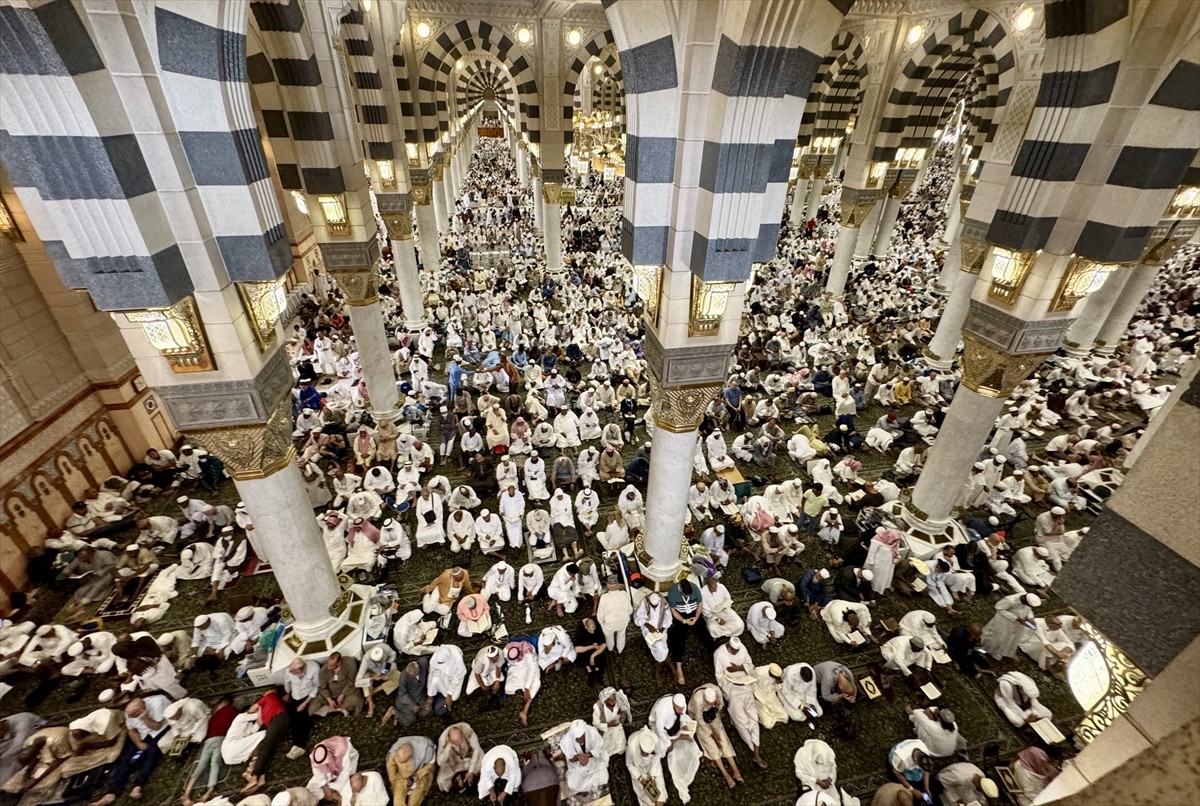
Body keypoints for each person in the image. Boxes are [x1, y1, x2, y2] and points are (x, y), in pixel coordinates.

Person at [88, 695, 172, 805]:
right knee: (126, 759)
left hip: (159, 731)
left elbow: (156, 726)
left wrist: (145, 718)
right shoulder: (130, 713)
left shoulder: (157, 703)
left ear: (141, 710)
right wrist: (138, 742)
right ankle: (112, 792)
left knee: (151, 755)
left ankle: (138, 785)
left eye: (133, 715)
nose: (130, 716)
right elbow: (131, 730)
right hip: (142, 735)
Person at [712, 637, 766, 768]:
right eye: (734, 651)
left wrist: (740, 668)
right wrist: (729, 687)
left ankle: (756, 752)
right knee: (742, 720)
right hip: (731, 688)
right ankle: (754, 751)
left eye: (737, 651)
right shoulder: (719, 654)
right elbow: (719, 676)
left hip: (745, 686)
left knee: (753, 716)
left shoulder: (742, 649)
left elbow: (750, 665)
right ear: (729, 647)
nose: (736, 653)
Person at [666, 579, 713, 685]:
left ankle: (716, 654)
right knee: (678, 639)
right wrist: (684, 621)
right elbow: (673, 610)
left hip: (694, 613)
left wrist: (696, 618)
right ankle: (679, 667)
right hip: (681, 616)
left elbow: (700, 604)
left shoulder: (694, 588)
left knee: (705, 634)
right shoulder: (672, 592)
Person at [980, 592, 1041, 660]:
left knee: (1010, 638)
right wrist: (1016, 618)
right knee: (997, 636)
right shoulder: (1010, 600)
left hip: (1017, 623)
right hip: (1003, 620)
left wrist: (1030, 618)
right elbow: (999, 608)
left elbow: (1029, 610)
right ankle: (984, 650)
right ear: (1025, 600)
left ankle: (1001, 653)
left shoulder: (1028, 599)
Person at [559, 719, 610, 799]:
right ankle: (591, 784)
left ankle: (586, 785)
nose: (580, 741)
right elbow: (570, 758)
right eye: (577, 739)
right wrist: (579, 758)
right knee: (572, 785)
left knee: (604, 778)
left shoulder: (592, 731)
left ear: (584, 733)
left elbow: (599, 748)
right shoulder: (566, 739)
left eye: (581, 738)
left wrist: (587, 755)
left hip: (593, 760)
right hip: (577, 765)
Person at [386, 735, 437, 806]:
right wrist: (393, 780)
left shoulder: (426, 751)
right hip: (401, 777)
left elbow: (430, 764)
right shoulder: (394, 752)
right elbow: (390, 766)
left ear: (411, 756)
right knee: (397, 800)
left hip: (420, 776)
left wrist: (418, 775)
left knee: (415, 800)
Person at [436, 722, 483, 794]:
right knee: (441, 780)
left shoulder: (468, 731)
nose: (459, 742)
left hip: (469, 757)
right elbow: (440, 762)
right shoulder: (443, 741)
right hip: (453, 762)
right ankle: (457, 786)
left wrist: (471, 771)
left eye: (460, 739)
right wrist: (448, 747)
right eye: (455, 741)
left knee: (483, 764)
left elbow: (476, 749)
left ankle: (469, 778)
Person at [626, 727, 667, 806]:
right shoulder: (632, 747)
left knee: (659, 790)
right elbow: (629, 764)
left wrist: (653, 777)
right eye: (644, 752)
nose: (646, 755)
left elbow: (656, 759)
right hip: (639, 768)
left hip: (653, 767)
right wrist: (640, 779)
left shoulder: (656, 743)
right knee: (647, 795)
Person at [593, 686, 632, 757]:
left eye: (615, 700)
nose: (614, 702)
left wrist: (623, 714)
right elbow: (595, 723)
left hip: (617, 725)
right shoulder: (598, 707)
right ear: (606, 700)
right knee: (606, 748)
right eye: (611, 701)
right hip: (605, 729)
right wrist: (608, 725)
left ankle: (619, 751)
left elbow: (624, 707)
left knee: (621, 746)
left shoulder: (617, 700)